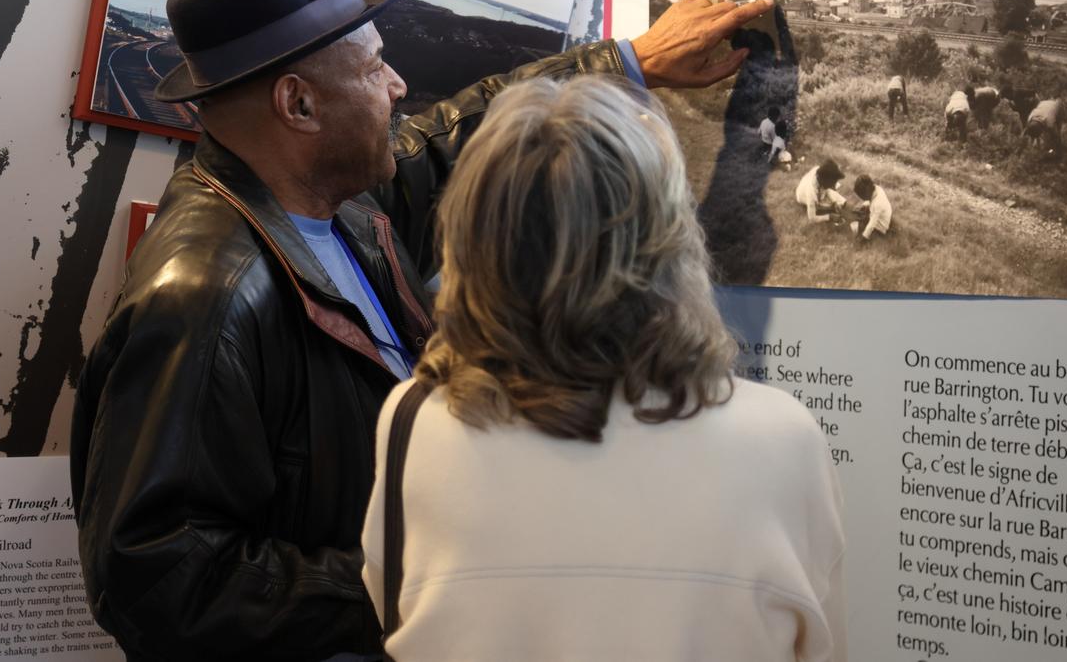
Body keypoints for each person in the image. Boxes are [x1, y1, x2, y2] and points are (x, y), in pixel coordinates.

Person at [69, 0, 773, 661]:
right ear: (300, 103)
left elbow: (451, 136)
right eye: (376, 67)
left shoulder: (336, 202)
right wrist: (407, 576)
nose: (399, 86)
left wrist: (629, 62)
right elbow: (155, 579)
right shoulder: (203, 298)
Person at [361, 76, 846, 661]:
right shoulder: (782, 438)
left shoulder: (412, 422)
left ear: (472, 240)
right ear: (669, 240)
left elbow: (390, 608)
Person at [795, 159, 847, 225]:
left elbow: (827, 189)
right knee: (827, 207)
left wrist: (834, 202)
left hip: (820, 188)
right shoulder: (811, 192)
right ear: (825, 181)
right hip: (803, 195)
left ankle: (833, 205)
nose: (834, 186)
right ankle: (827, 208)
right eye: (832, 183)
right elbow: (812, 218)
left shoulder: (820, 172)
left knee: (840, 201)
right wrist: (829, 217)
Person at [849, 174, 892, 243]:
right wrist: (864, 205)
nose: (863, 199)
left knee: (856, 227)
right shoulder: (877, 189)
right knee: (858, 216)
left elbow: (871, 225)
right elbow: (871, 201)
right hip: (877, 216)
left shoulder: (878, 203)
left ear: (867, 192)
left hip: (879, 228)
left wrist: (862, 240)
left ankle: (864, 237)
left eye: (863, 197)